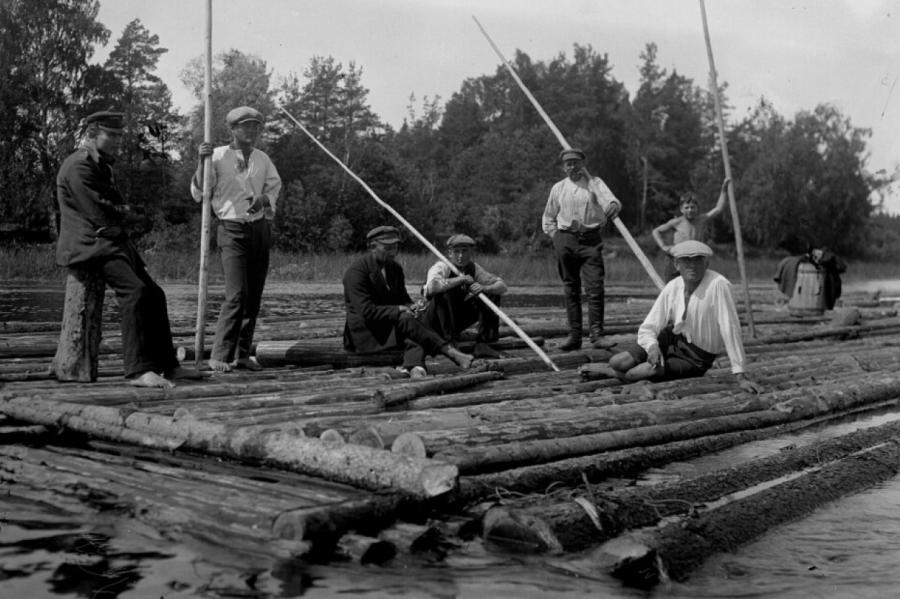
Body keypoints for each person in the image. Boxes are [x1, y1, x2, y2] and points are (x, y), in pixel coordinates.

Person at [56, 111, 202, 388]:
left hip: (109, 242)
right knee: (134, 292)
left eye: (120, 136)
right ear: (90, 133)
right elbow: (99, 211)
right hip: (89, 246)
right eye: (111, 135)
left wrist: (124, 215)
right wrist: (128, 213)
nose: (117, 141)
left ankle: (168, 366)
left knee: (155, 295)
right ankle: (138, 371)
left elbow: (115, 209)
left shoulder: (100, 165)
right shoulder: (78, 166)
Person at [602, 240, 762, 393]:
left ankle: (607, 373)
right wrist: (652, 346)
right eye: (686, 261)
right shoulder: (673, 286)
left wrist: (740, 375)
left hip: (696, 357)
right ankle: (612, 369)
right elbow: (650, 325)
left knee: (635, 374)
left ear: (706, 263)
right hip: (670, 339)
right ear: (677, 265)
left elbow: (730, 328)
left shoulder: (718, 285)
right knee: (617, 362)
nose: (692, 265)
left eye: (698, 260)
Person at [192, 106, 282, 372]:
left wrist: (263, 200)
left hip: (259, 229)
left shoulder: (263, 159)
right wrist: (201, 161)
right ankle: (219, 355)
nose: (251, 131)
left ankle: (242, 354)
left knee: (253, 295)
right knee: (236, 294)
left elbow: (274, 187)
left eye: (255, 126)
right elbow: (201, 190)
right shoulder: (217, 155)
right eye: (245, 126)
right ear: (232, 129)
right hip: (231, 229)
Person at [343, 226, 475, 378]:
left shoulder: (394, 268)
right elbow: (366, 311)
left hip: (392, 325)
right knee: (408, 321)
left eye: (395, 247)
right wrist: (399, 309)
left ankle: (413, 368)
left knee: (417, 322)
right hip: (367, 333)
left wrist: (412, 306)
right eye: (387, 248)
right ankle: (451, 352)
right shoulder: (356, 273)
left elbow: (403, 298)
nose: (393, 252)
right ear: (372, 247)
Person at [542, 147, 622, 351]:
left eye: (576, 163)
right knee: (571, 289)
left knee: (595, 288)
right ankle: (574, 336)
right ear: (564, 168)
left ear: (582, 164)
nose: (573, 167)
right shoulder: (558, 188)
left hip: (591, 241)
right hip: (565, 240)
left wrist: (613, 205)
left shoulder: (595, 183)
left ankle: (597, 336)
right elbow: (548, 217)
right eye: (568, 164)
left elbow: (612, 201)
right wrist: (557, 238)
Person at [421, 234, 508, 359]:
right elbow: (432, 288)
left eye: (464, 251)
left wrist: (484, 288)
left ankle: (483, 343)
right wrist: (460, 280)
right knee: (444, 292)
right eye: (456, 252)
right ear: (450, 253)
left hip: (455, 321)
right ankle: (450, 343)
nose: (461, 256)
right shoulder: (441, 267)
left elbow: (502, 286)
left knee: (491, 293)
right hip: (434, 322)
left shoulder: (474, 268)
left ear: (471, 252)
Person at [652, 178, 730, 281]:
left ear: (697, 208)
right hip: (677, 257)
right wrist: (663, 246)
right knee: (671, 284)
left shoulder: (702, 219)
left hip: (694, 258)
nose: (690, 210)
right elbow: (656, 231)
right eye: (687, 207)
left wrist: (724, 189)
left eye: (693, 207)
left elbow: (718, 208)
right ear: (681, 209)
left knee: (694, 284)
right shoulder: (677, 222)